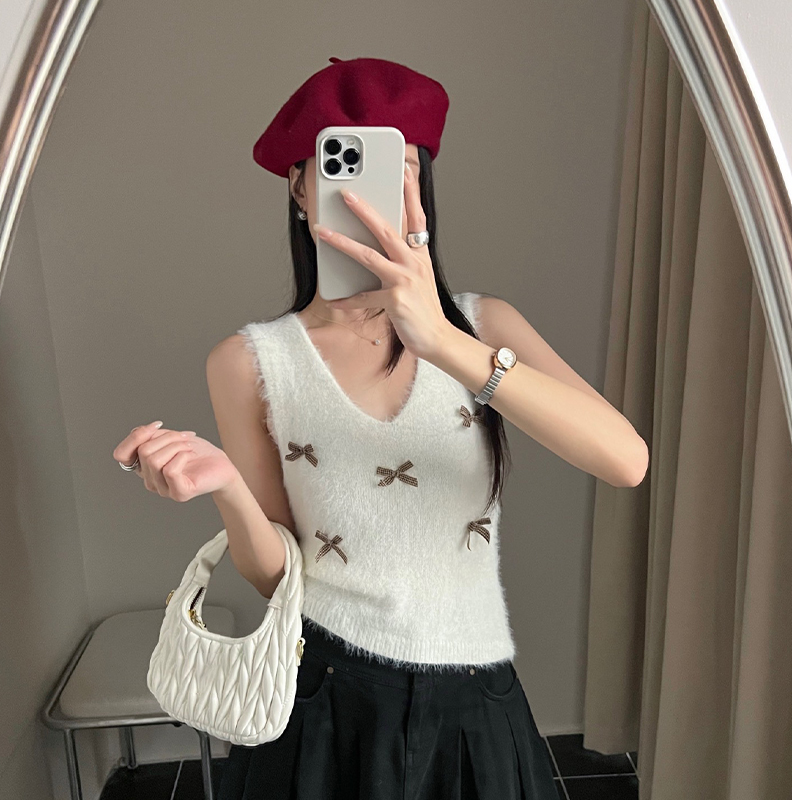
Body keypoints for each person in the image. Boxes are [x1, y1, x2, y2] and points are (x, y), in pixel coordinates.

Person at [113, 56, 647, 800]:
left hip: (476, 697)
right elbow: (276, 576)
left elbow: (625, 460)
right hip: (325, 698)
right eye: (342, 169)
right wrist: (227, 487)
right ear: (300, 186)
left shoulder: (484, 327)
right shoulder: (248, 361)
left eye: (398, 169)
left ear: (422, 189)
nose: (367, 195)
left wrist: (443, 342)